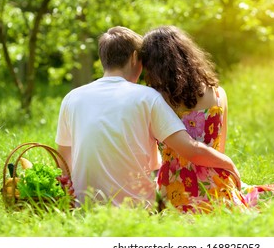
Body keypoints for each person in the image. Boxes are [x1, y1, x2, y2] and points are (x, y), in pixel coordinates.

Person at [141, 25, 274, 212]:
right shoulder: (218, 93)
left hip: (174, 189)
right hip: (217, 183)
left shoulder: (155, 100)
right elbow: (219, 149)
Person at [55, 26, 240, 208]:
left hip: (85, 204)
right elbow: (193, 150)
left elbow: (63, 159)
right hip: (141, 204)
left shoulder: (71, 97)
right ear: (135, 58)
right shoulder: (148, 97)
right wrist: (229, 165)